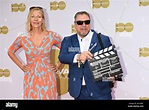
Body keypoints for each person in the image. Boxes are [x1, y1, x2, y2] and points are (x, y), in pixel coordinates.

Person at [7, 6, 62, 100]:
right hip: (31, 78)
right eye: (33, 16)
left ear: (43, 19)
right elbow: (10, 51)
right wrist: (22, 66)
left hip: (48, 77)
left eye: (39, 16)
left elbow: (65, 50)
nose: (36, 19)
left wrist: (57, 66)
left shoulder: (52, 35)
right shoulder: (23, 38)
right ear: (29, 19)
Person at [58, 11, 115, 100]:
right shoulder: (68, 40)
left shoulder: (103, 39)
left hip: (100, 91)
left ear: (90, 23)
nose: (84, 25)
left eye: (87, 22)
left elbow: (112, 63)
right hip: (79, 91)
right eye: (80, 22)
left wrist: (113, 76)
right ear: (75, 24)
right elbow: (62, 57)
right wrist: (78, 57)